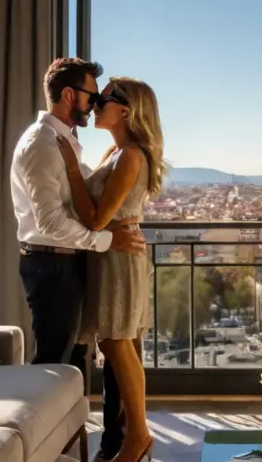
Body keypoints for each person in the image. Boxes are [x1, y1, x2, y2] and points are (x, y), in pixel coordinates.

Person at [9, 58, 146, 459]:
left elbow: (88, 198)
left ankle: (112, 445)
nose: (95, 102)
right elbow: (50, 221)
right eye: (91, 95)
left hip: (71, 261)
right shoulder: (41, 144)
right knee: (56, 363)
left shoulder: (66, 142)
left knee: (84, 358)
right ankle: (44, 451)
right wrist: (107, 241)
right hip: (52, 264)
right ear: (69, 95)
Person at [56, 77, 165, 462]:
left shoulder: (130, 155)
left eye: (104, 99)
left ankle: (138, 437)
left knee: (118, 342)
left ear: (126, 110)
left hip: (118, 258)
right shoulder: (115, 153)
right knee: (123, 344)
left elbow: (98, 219)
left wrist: (70, 168)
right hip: (111, 256)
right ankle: (137, 437)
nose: (96, 103)